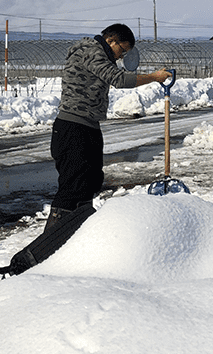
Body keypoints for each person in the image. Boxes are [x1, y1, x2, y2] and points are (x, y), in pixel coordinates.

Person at [48, 23, 171, 231]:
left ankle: (77, 235)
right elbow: (118, 79)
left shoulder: (101, 55)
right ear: (110, 40)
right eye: (121, 50)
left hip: (89, 126)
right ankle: (50, 243)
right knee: (73, 187)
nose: (121, 57)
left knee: (92, 181)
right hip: (73, 126)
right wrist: (153, 77)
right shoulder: (90, 51)